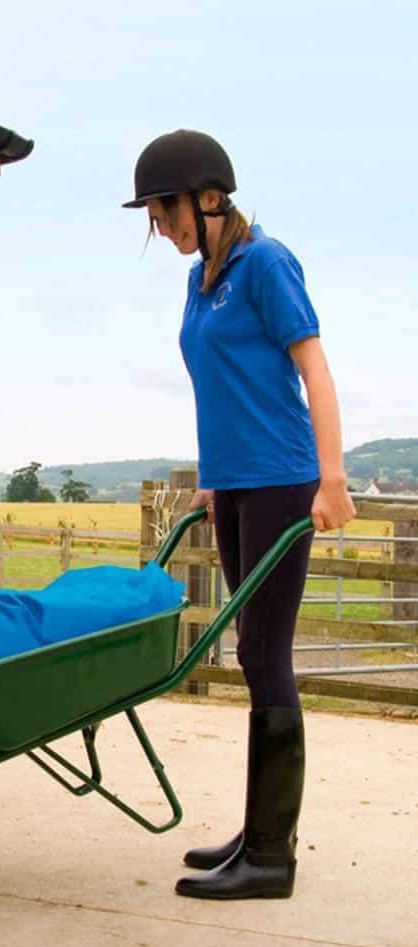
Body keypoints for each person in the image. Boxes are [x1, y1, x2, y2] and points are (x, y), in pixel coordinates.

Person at [123, 129, 355, 900]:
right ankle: (256, 834)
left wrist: (333, 478)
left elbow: (312, 369)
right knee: (252, 654)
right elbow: (220, 385)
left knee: (263, 652)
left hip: (287, 480)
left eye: (163, 210)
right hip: (238, 486)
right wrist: (215, 479)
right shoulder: (201, 280)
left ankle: (272, 855)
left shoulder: (267, 264)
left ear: (207, 197)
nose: (159, 226)